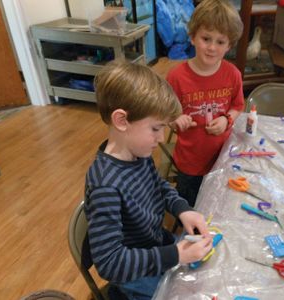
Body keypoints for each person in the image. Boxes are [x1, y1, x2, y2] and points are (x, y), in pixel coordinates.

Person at [84, 60, 213, 300]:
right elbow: (110, 263)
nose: (162, 138)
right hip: (134, 276)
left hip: (156, 248)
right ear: (121, 121)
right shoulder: (105, 186)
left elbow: (159, 187)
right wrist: (174, 255)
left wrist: (182, 210)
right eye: (155, 128)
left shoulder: (137, 153)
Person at [166, 0, 245, 207]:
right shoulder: (176, 77)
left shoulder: (233, 75)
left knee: (218, 206)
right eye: (206, 38)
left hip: (221, 159)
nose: (212, 47)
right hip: (189, 162)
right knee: (189, 208)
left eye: (220, 42)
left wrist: (226, 120)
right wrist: (176, 120)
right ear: (192, 37)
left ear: (229, 45)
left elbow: (238, 106)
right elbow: (165, 115)